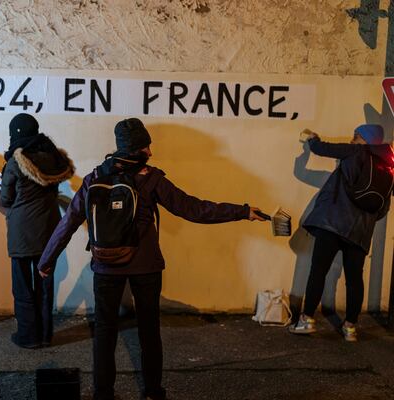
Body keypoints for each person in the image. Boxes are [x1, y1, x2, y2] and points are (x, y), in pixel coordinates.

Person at [37, 118, 264, 400]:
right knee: (148, 331)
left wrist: (47, 261)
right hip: (146, 266)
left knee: (105, 332)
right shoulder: (151, 178)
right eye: (147, 146)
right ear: (138, 148)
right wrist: (241, 211)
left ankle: (103, 393)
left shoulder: (95, 178)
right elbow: (193, 209)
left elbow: (68, 222)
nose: (151, 152)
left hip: (105, 266)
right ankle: (153, 392)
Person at [289, 124, 393, 342]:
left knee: (318, 271)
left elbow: (321, 149)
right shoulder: (389, 166)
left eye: (356, 136)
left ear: (365, 139)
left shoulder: (354, 151)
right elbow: (382, 209)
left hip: (332, 224)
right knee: (354, 278)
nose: (352, 139)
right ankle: (350, 328)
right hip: (361, 233)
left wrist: (312, 140)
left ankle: (307, 320)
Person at [0, 113, 75, 349]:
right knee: (45, 284)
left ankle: (28, 336)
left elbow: (5, 198)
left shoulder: (15, 162)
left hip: (22, 233)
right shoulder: (53, 158)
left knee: (22, 287)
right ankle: (45, 335)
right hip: (49, 232)